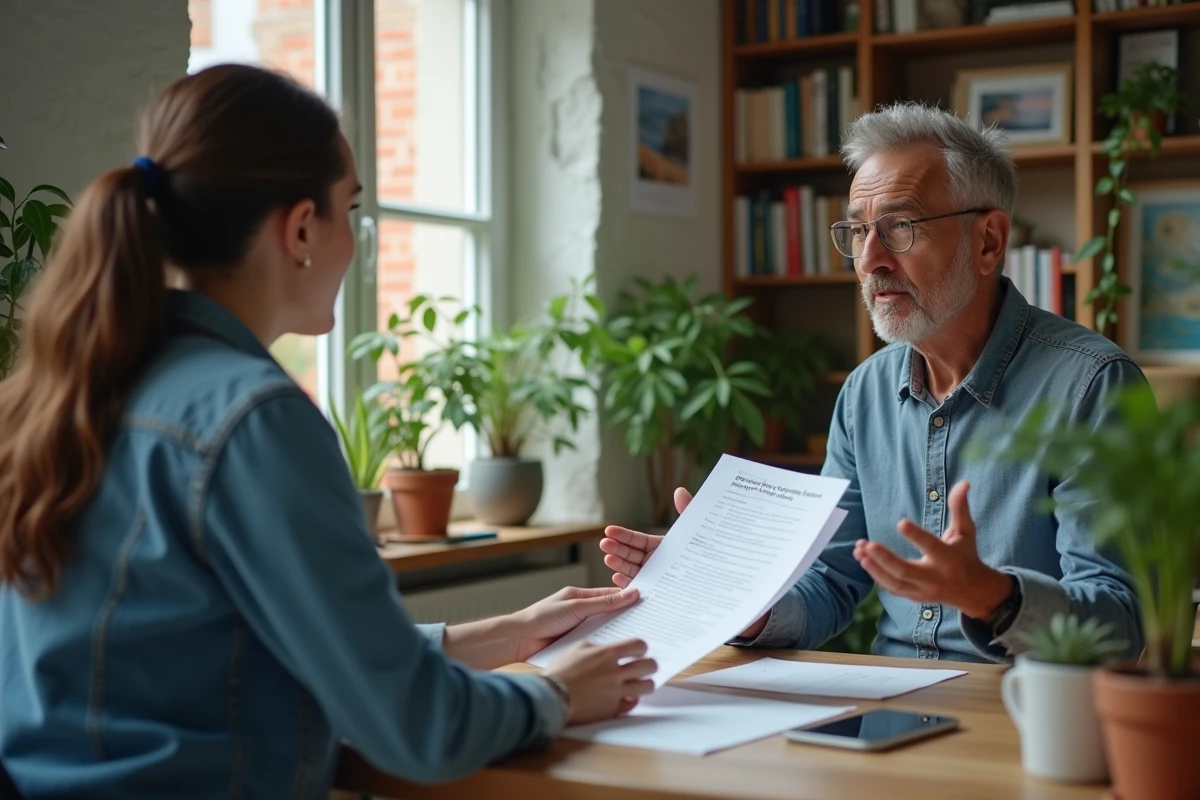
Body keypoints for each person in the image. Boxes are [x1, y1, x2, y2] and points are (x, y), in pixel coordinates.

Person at [0, 64, 655, 800]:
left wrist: (501, 634)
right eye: (353, 210)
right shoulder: (252, 419)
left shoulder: (64, 392)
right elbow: (420, 729)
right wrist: (560, 694)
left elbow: (226, 648)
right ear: (303, 228)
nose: (356, 241)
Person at [602, 103, 1145, 665]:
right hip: (889, 720)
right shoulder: (864, 395)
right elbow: (831, 582)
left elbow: (1121, 623)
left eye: (900, 228)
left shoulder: (1092, 387)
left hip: (1028, 721)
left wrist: (991, 597)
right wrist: (737, 598)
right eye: (859, 231)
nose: (870, 259)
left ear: (987, 241)